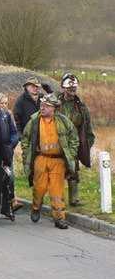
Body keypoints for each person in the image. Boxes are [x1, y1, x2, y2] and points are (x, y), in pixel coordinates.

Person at [21, 94, 79, 229]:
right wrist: (26, 154)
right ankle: (36, 207)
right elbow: (25, 139)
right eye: (41, 105)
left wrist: (71, 154)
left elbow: (74, 139)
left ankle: (59, 218)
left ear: (54, 108)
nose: (43, 108)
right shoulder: (34, 121)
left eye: (46, 106)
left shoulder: (64, 121)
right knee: (39, 188)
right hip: (40, 159)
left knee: (56, 190)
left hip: (58, 161)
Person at [57, 73, 95, 207]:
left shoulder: (81, 107)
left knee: (73, 172)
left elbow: (89, 131)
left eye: (74, 89)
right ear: (63, 87)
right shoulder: (54, 103)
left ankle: (74, 199)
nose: (72, 91)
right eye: (69, 88)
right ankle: (57, 200)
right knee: (57, 173)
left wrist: (84, 146)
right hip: (56, 143)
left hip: (74, 146)